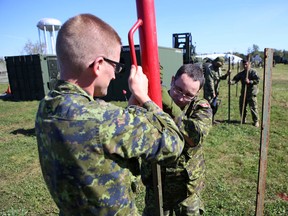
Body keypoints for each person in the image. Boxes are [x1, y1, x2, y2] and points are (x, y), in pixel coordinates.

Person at [35, 13, 185, 216]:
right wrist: (145, 98)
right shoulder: (104, 119)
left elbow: (97, 131)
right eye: (115, 66)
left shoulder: (46, 106)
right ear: (98, 65)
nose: (115, 75)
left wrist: (130, 111)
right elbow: (174, 143)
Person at [142, 64, 213, 215]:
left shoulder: (200, 107)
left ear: (198, 92)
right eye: (178, 89)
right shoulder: (155, 99)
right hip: (157, 182)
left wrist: (171, 107)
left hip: (185, 187)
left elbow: (195, 137)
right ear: (173, 80)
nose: (181, 97)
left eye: (189, 94)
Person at [229, 59, 260, 127]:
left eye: (246, 64)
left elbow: (257, 80)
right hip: (244, 93)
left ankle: (256, 121)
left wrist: (250, 82)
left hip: (251, 93)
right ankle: (243, 119)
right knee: (242, 106)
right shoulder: (242, 73)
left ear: (249, 64)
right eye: (244, 65)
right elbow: (235, 79)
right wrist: (231, 82)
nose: (245, 66)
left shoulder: (253, 72)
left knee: (253, 107)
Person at [203, 56, 230, 124]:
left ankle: (212, 119)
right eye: (218, 64)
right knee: (208, 105)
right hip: (209, 91)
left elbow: (221, 77)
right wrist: (213, 93)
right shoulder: (210, 69)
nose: (219, 66)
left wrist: (227, 74)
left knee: (215, 105)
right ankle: (206, 121)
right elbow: (210, 82)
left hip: (216, 90)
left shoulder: (219, 69)